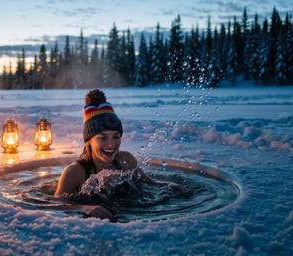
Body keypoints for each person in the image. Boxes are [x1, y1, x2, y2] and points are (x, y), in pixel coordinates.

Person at [55, 89, 191, 220]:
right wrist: (83, 208)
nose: (111, 144)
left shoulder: (126, 160)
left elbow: (147, 182)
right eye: (103, 138)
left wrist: (168, 184)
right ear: (88, 141)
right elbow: (54, 204)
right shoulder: (75, 172)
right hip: (90, 225)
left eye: (116, 136)